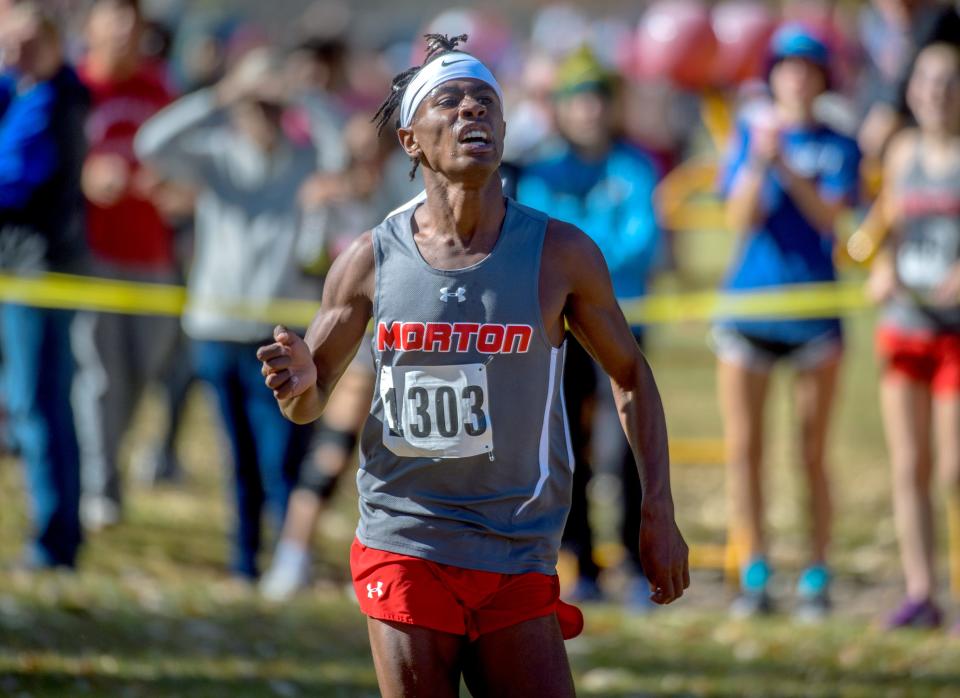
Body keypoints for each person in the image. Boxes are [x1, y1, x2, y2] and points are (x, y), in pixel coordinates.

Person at [257, 34, 688, 696]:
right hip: (405, 538)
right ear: (411, 140)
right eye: (450, 102)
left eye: (485, 101)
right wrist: (301, 388)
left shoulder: (561, 255)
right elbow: (308, 402)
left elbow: (631, 377)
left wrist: (656, 509)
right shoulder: (370, 261)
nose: (471, 113)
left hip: (517, 546)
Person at [135, 47, 317, 581]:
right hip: (216, 327)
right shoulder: (214, 156)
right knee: (237, 456)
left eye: (271, 106)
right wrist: (221, 95)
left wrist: (299, 92)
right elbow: (151, 144)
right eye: (254, 105)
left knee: (281, 451)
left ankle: (288, 559)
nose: (263, 113)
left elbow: (340, 154)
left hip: (277, 329)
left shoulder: (300, 161)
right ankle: (244, 562)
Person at [715, 25, 861, 620]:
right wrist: (758, 161)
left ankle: (817, 571)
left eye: (807, 69)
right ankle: (755, 569)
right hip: (748, 310)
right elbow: (738, 217)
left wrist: (791, 168)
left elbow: (830, 218)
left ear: (822, 79)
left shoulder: (839, 144)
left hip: (813, 318)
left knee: (810, 453)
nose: (796, 78)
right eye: (785, 68)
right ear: (772, 77)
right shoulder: (748, 136)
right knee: (745, 450)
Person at [516, 46, 665, 605]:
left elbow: (642, 242)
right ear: (560, 108)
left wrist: (579, 262)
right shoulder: (541, 169)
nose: (588, 112)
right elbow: (537, 240)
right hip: (559, 326)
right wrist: (587, 261)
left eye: (596, 100)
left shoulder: (635, 167)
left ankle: (630, 554)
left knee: (624, 444)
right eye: (576, 101)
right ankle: (578, 556)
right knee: (562, 443)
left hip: (625, 321)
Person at [259, 112, 420, 601]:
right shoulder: (327, 197)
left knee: (393, 451)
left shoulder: (400, 197)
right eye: (353, 156)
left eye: (371, 154)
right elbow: (307, 261)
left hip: (394, 344)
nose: (360, 165)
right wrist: (312, 213)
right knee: (330, 450)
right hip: (342, 339)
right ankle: (293, 555)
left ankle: (381, 556)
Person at [71, 0, 181, 529]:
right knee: (98, 376)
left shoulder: (159, 89)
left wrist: (175, 189)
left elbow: (187, 168)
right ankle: (99, 487)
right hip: (90, 256)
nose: (122, 30)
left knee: (141, 374)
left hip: (152, 256)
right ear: (90, 26)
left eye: (131, 21)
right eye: (111, 18)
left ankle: (107, 468)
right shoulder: (73, 88)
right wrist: (86, 174)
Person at [866, 43, 960, 633]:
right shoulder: (901, 151)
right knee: (910, 465)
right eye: (927, 80)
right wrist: (879, 262)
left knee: (954, 469)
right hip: (904, 326)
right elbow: (884, 223)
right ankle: (921, 591)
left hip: (955, 334)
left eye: (949, 81)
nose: (936, 91)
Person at [0, 3, 89, 569]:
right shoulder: (22, 91)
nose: (16, 50)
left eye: (31, 41)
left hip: (40, 272)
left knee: (38, 405)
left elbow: (10, 179)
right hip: (23, 268)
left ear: (57, 44)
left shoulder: (54, 100)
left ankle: (54, 540)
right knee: (36, 403)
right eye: (10, 40)